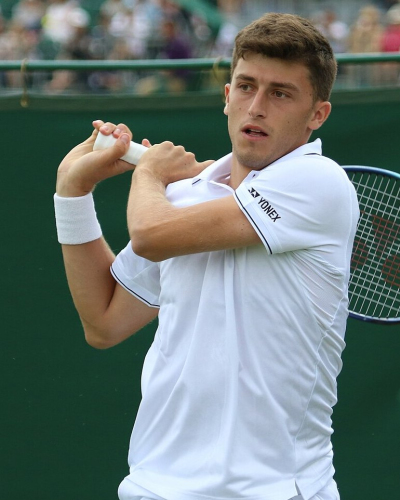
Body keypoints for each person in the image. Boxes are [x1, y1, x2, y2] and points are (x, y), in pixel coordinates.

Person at [54, 12, 359, 500]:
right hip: (153, 486)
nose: (256, 107)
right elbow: (104, 322)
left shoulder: (320, 181)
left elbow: (150, 234)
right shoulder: (182, 196)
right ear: (227, 96)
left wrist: (150, 174)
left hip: (275, 491)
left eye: (280, 94)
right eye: (247, 87)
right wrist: (72, 193)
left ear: (317, 115)